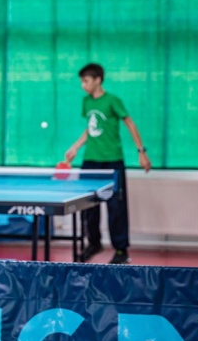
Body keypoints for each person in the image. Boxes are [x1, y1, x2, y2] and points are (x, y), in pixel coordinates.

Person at [64, 62, 151, 264]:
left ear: (98, 80)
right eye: (81, 81)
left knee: (116, 208)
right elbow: (91, 128)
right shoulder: (86, 102)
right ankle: (94, 243)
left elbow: (130, 124)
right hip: (90, 161)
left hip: (112, 161)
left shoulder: (113, 101)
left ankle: (121, 250)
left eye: (86, 81)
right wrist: (75, 147)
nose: (83, 85)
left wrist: (142, 153)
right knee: (88, 207)